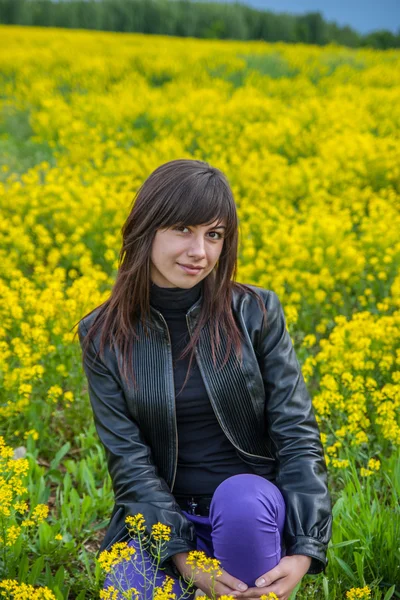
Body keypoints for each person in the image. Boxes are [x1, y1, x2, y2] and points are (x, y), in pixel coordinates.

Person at [77, 158, 332, 600]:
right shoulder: (103, 335)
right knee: (127, 589)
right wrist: (182, 557)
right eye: (183, 230)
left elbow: (297, 434)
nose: (201, 252)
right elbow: (129, 460)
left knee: (240, 500)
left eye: (214, 235)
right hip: (163, 518)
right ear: (145, 229)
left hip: (249, 511)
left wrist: (306, 548)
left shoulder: (256, 313)